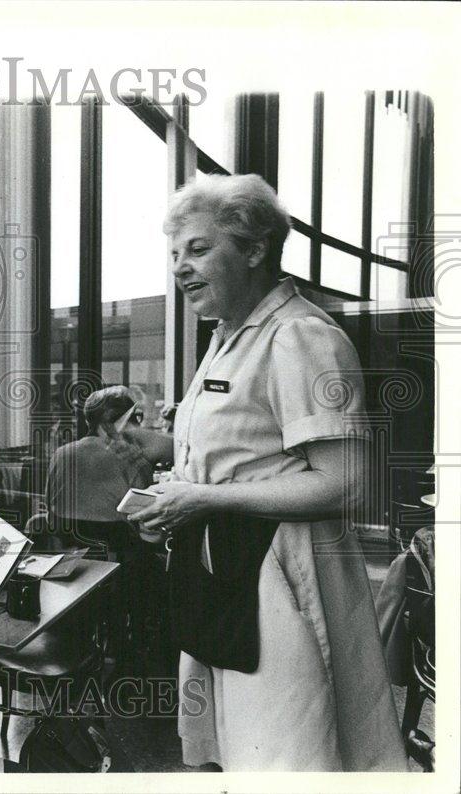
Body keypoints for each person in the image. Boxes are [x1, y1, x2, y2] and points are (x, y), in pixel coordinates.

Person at [119, 173, 407, 771]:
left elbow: (347, 482)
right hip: (224, 566)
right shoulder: (227, 338)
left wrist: (202, 497)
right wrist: (174, 491)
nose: (180, 268)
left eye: (198, 249)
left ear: (254, 249)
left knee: (287, 752)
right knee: (237, 748)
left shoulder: (300, 336)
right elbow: (248, 453)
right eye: (175, 254)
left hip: (284, 576)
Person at [45, 386, 163, 671]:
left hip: (70, 560)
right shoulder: (131, 459)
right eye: (133, 419)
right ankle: (138, 656)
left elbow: (51, 507)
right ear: (113, 422)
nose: (137, 427)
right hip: (118, 565)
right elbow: (148, 514)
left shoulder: (61, 453)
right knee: (162, 568)